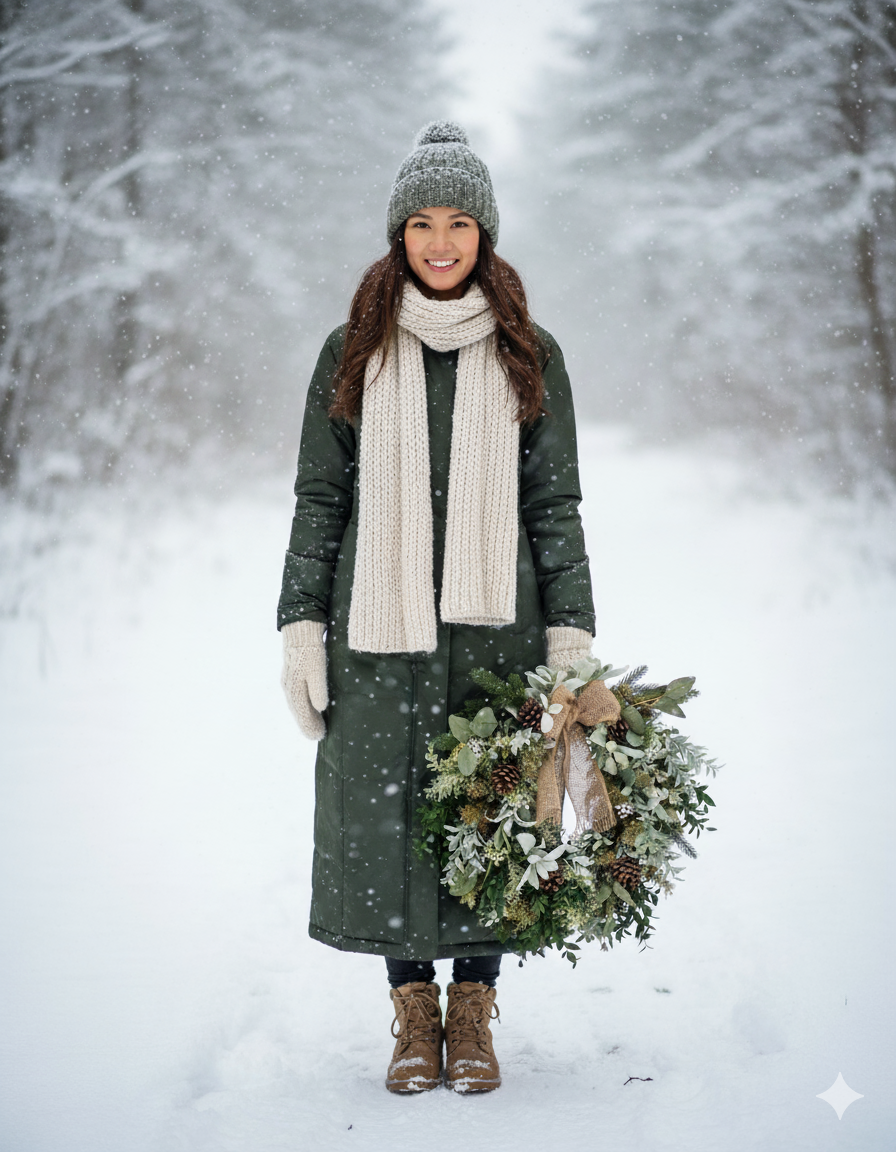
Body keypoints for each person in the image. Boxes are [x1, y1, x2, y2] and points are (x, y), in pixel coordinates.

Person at [277, 121, 596, 1094]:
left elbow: (553, 505)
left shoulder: (527, 351)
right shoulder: (353, 350)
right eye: (421, 222)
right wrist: (299, 626)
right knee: (390, 816)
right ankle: (412, 1014)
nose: (440, 241)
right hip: (376, 633)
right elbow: (320, 499)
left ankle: (474, 1013)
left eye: (459, 221)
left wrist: (570, 636)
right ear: (398, 234)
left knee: (490, 811)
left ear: (484, 233)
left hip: (499, 628)